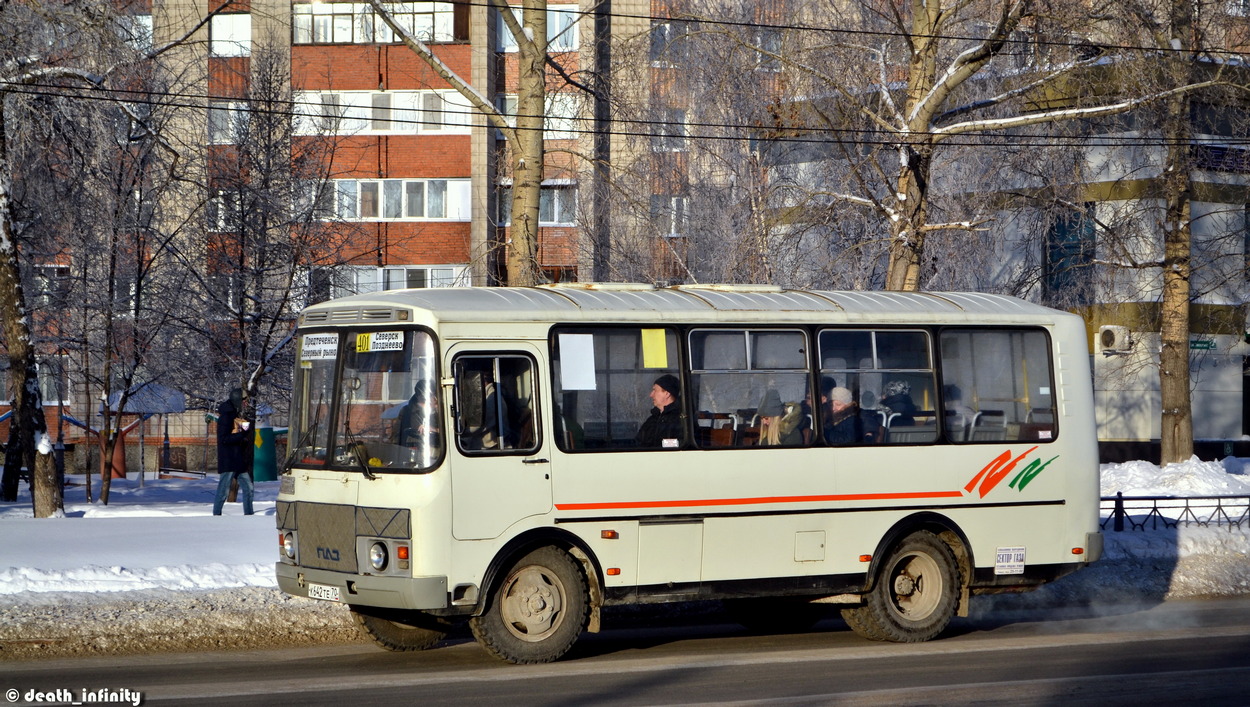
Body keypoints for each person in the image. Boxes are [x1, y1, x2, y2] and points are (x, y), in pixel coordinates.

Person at [213, 388, 254, 516]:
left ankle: (249, 516)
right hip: (229, 460)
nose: (246, 403)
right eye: (244, 400)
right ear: (237, 400)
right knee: (223, 491)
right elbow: (223, 439)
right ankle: (216, 516)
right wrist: (242, 434)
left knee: (248, 488)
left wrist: (243, 435)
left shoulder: (234, 415)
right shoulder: (226, 416)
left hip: (237, 460)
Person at [635, 374, 684, 448]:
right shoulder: (652, 419)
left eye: (655, 390)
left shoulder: (682, 419)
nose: (651, 395)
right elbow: (638, 442)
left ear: (667, 394)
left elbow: (681, 444)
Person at [397, 382, 441, 448]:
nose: (435, 399)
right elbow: (399, 437)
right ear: (418, 397)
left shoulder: (444, 409)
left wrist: (435, 430)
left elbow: (453, 433)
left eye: (435, 396)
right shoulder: (407, 412)